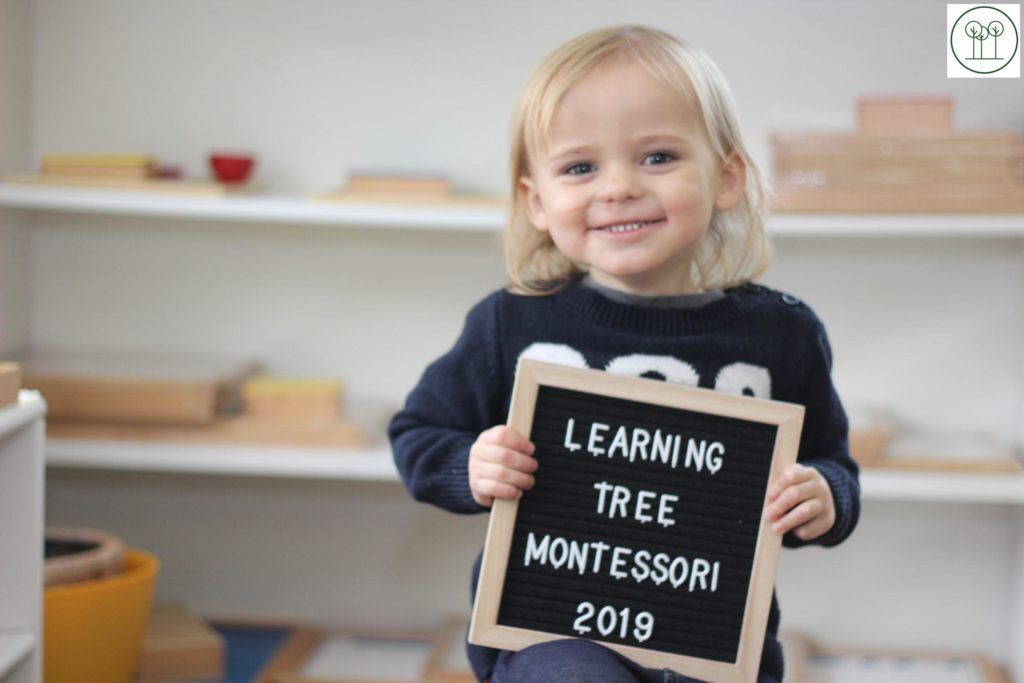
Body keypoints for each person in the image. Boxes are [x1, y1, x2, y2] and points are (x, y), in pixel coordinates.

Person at [388, 24, 860, 683]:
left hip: (714, 639)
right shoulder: (511, 322)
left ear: (725, 178)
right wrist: (468, 465)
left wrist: (824, 496)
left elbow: (833, 464)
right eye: (580, 168)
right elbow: (417, 433)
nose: (618, 188)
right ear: (538, 202)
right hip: (553, 633)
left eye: (658, 157)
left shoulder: (781, 334)